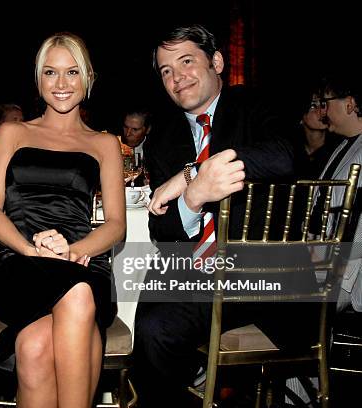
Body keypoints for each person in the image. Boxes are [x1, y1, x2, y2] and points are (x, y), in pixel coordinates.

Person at [134, 24, 314, 407]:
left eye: (186, 61)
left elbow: (287, 157)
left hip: (268, 279)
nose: (176, 77)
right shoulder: (163, 138)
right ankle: (189, 385)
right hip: (199, 281)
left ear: (216, 61)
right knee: (149, 327)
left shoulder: (254, 104)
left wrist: (195, 174)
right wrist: (192, 198)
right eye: (166, 70)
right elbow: (161, 228)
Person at [0, 32, 125, 408]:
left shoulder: (105, 143)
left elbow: (115, 224)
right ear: (38, 78)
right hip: (20, 264)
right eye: (50, 72)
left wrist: (74, 251)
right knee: (74, 299)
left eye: (72, 72)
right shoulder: (12, 132)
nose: (61, 84)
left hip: (81, 263)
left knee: (32, 346)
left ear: (88, 78)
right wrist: (31, 249)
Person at [313, 73, 362, 313]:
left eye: (326, 103)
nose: (322, 112)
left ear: (350, 104)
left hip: (346, 279)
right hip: (322, 266)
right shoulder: (342, 146)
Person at [292, 82, 341, 179]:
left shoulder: (336, 149)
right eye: (313, 106)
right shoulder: (291, 151)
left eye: (323, 104)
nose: (322, 111)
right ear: (301, 117)